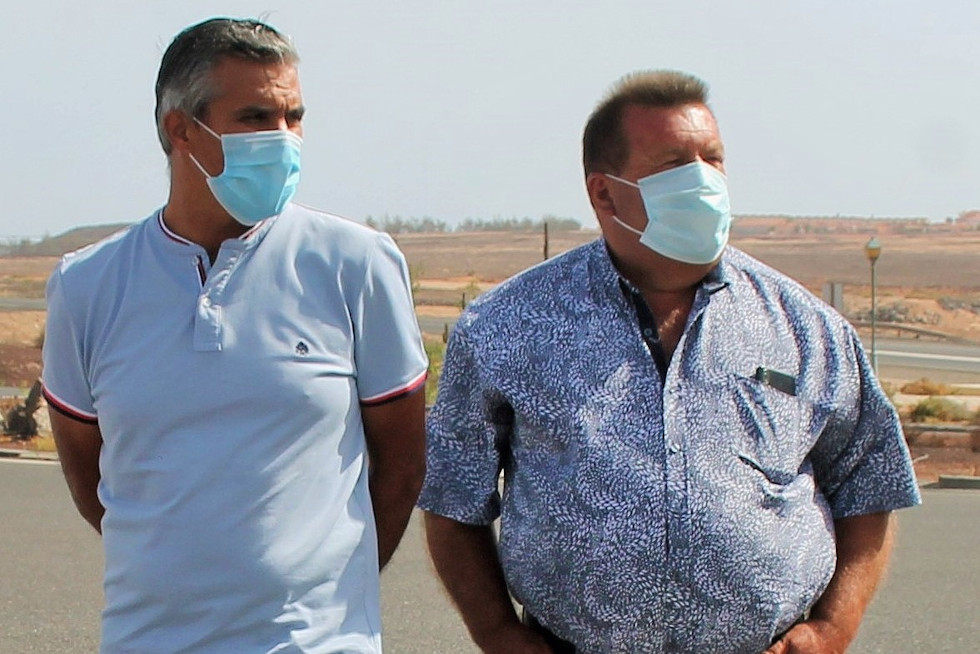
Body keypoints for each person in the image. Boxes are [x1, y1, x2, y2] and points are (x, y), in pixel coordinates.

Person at [418, 70, 921, 654]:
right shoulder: (508, 326)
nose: (703, 181)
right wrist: (498, 633)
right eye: (673, 165)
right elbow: (452, 498)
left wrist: (832, 627)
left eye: (712, 159)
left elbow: (869, 481)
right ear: (604, 193)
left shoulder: (805, 328)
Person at [41, 18, 428, 654]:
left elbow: (403, 462)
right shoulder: (86, 285)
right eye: (255, 118)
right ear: (181, 129)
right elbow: (93, 478)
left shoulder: (356, 264)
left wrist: (324, 595)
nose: (283, 139)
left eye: (293, 117)